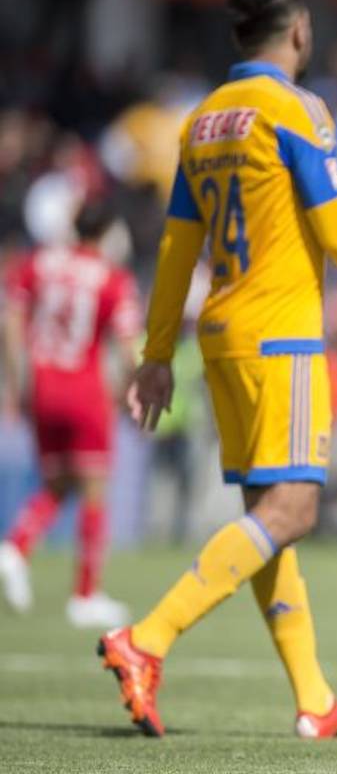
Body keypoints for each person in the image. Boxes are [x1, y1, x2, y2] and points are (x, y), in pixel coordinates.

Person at [97, 0, 337, 739]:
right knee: (293, 510)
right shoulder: (295, 110)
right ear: (300, 31)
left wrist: (158, 352)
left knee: (267, 520)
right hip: (281, 334)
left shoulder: (202, 120)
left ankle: (315, 700)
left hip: (221, 334)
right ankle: (146, 639)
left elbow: (176, 247)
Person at [0, 200, 139, 627]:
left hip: (42, 385)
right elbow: (128, 345)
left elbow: (10, 319)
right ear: (109, 233)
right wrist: (137, 386)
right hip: (84, 388)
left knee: (58, 483)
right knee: (95, 488)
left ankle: (15, 547)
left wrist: (17, 381)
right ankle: (86, 594)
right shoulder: (112, 278)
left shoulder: (39, 264)